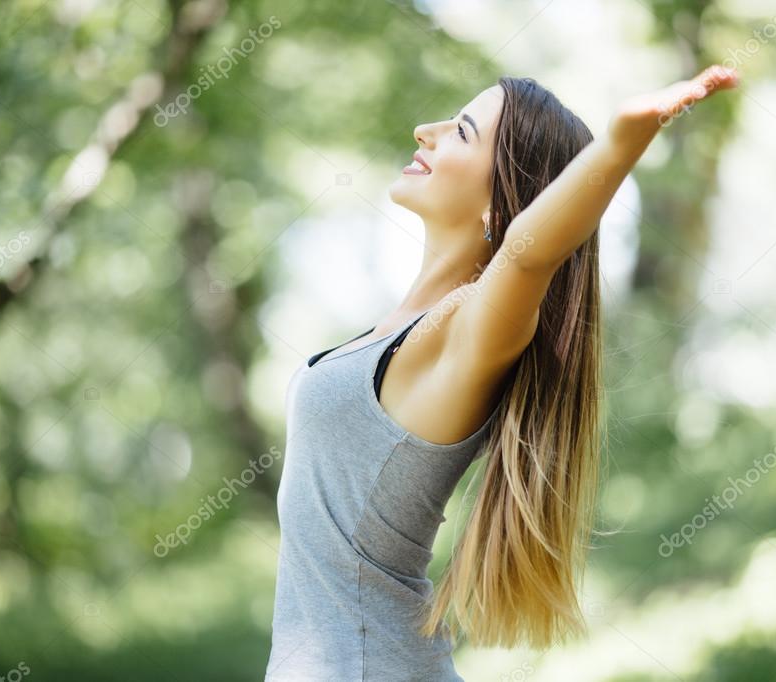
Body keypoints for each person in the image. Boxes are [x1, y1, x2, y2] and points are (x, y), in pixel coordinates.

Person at [265, 65, 739, 681]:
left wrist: (625, 136)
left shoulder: (460, 333)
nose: (426, 131)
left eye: (461, 132)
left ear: (501, 197)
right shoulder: (403, 327)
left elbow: (527, 254)